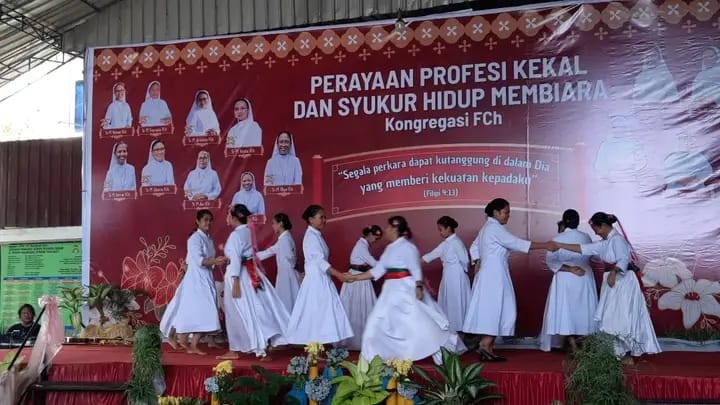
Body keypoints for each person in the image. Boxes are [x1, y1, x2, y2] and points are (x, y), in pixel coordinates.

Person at [348, 216, 466, 364]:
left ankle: (442, 351)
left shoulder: (408, 247)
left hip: (405, 289)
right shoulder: (389, 249)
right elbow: (376, 271)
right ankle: (371, 361)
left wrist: (418, 287)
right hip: (389, 292)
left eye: (389, 227)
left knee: (419, 323)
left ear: (396, 229)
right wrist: (353, 277)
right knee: (376, 323)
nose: (386, 230)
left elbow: (415, 269)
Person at [554, 212, 661, 364]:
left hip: (623, 283)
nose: (595, 233)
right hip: (613, 282)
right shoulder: (605, 242)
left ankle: (626, 354)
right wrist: (560, 245)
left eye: (596, 229)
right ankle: (616, 353)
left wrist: (614, 272)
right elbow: (583, 248)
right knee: (610, 317)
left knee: (621, 316)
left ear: (604, 226)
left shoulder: (617, 240)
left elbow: (623, 259)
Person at [463, 198, 556, 361]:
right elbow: (516, 243)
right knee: (496, 308)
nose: (508, 216)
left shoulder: (487, 228)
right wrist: (545, 245)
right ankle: (485, 344)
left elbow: (474, 247)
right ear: (496, 212)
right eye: (506, 212)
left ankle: (488, 347)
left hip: (492, 273)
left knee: (495, 308)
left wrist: (477, 261)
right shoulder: (494, 228)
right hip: (494, 275)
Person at [217, 204, 290, 360]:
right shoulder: (247, 231)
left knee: (239, 312)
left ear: (234, 218)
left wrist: (235, 281)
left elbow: (236, 258)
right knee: (258, 308)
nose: (227, 218)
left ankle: (241, 348)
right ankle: (262, 344)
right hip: (251, 273)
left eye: (229, 215)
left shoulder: (236, 235)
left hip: (240, 276)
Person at [159, 210, 228, 355]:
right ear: (198, 221)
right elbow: (199, 260)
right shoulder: (194, 239)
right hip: (195, 280)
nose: (208, 223)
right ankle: (186, 341)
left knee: (203, 311)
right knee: (198, 310)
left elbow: (209, 261)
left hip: (206, 278)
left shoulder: (209, 239)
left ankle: (187, 341)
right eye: (205, 220)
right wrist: (215, 261)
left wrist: (216, 261)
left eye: (210, 220)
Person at [285, 205, 353, 345]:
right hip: (317, 282)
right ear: (311, 219)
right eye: (321, 217)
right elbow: (320, 261)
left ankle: (319, 346)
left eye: (324, 217)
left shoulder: (316, 235)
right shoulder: (311, 237)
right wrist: (339, 275)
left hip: (321, 279)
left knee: (322, 313)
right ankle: (315, 347)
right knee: (316, 314)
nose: (324, 220)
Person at [539, 209, 597, 353]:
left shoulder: (557, 238)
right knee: (584, 310)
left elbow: (551, 261)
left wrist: (570, 268)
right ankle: (581, 343)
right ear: (578, 222)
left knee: (566, 310)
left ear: (564, 222)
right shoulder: (586, 237)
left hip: (565, 277)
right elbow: (591, 254)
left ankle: (572, 343)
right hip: (584, 275)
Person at [421, 216, 471, 333]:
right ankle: (452, 331)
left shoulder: (456, 242)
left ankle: (459, 331)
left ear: (448, 228)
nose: (440, 232)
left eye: (441, 229)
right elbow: (431, 255)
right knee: (450, 303)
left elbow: (465, 260)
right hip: (448, 276)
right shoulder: (445, 244)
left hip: (457, 277)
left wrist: (461, 273)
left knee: (456, 303)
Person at [339, 225, 382, 350]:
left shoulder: (362, 245)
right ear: (369, 234)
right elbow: (373, 263)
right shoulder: (361, 246)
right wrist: (388, 266)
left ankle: (360, 338)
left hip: (360, 277)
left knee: (360, 308)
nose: (375, 241)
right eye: (375, 237)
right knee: (357, 308)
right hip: (357, 279)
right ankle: (355, 340)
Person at [257, 213, 301, 312]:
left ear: (280, 223)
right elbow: (270, 251)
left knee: (287, 303)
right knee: (288, 302)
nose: (272, 226)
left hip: (286, 276)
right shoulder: (284, 239)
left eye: (273, 223)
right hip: (286, 275)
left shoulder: (285, 239)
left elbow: (290, 258)